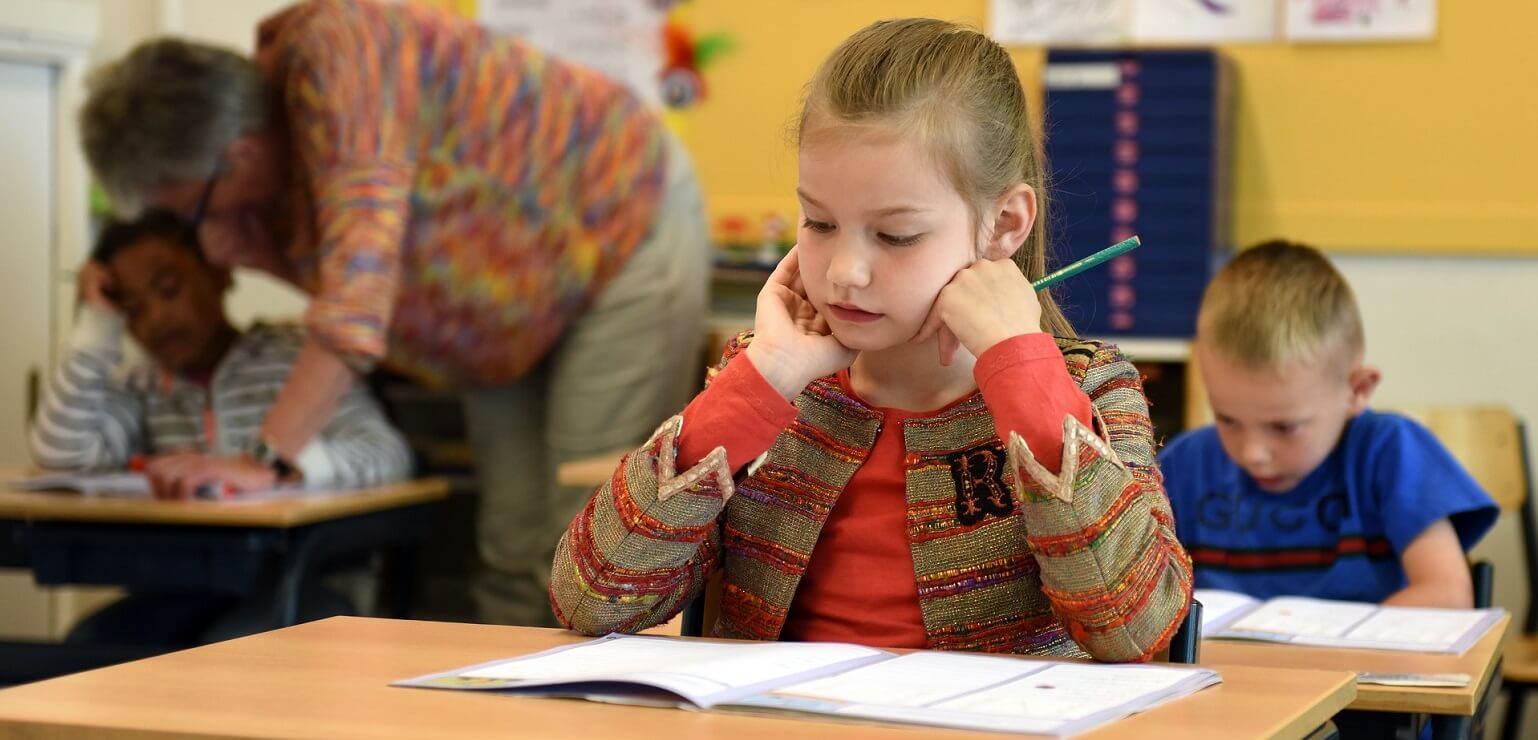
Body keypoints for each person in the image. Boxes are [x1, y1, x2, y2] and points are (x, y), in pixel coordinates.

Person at [549, 19, 1191, 662]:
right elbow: (593, 598)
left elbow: (1132, 625)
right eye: (819, 222)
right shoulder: (772, 384)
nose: (843, 272)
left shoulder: (1086, 388)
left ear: (1004, 225)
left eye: (895, 236)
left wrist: (1020, 368)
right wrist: (764, 376)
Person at [76, 0, 708, 626]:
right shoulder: (259, 170)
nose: (202, 229)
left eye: (196, 208)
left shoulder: (340, 56)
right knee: (514, 550)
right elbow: (364, 278)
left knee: (596, 542)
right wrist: (254, 244)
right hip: (500, 309)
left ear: (238, 153)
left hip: (620, 226)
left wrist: (261, 461)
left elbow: (356, 302)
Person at [29, 211, 413, 645]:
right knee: (87, 646)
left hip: (300, 582)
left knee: (236, 648)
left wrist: (280, 466)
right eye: (132, 310)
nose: (156, 319)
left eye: (169, 289)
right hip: (183, 583)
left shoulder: (298, 361)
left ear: (218, 274)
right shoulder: (142, 385)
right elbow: (60, 453)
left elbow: (387, 453)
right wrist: (97, 326)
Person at [1159, 240, 1497, 607]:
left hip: (1366, 663)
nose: (1252, 453)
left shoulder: (1391, 451)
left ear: (1357, 390)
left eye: (1285, 427)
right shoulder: (1184, 464)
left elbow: (1446, 596)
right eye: (1227, 419)